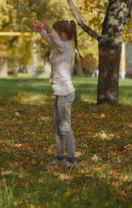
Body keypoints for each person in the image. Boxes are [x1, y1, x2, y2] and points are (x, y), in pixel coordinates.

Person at [33, 19, 82, 168]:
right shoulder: (60, 46)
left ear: (61, 34)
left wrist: (49, 30)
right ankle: (61, 158)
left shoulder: (66, 47)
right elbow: (52, 41)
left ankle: (72, 160)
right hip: (59, 93)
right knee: (57, 126)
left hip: (65, 94)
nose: (53, 35)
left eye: (55, 32)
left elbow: (55, 41)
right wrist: (42, 31)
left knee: (65, 127)